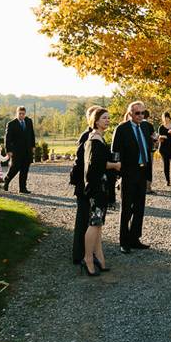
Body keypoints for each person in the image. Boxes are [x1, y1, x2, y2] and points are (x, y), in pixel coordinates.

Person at [81, 107, 121, 276]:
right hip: (97, 188)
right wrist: (114, 165)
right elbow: (94, 165)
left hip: (102, 188)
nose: (107, 120)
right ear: (96, 121)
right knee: (94, 223)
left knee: (98, 224)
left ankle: (99, 257)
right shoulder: (94, 140)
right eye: (104, 118)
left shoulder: (99, 138)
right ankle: (87, 259)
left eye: (108, 118)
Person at [111, 101, 152, 253]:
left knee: (140, 207)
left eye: (143, 113)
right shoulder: (121, 129)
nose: (141, 116)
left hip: (142, 172)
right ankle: (124, 241)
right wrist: (117, 175)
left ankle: (135, 238)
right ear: (130, 114)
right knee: (127, 208)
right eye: (137, 113)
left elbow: (148, 148)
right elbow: (115, 152)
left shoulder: (146, 127)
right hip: (128, 173)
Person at [71, 106, 99, 265]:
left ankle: (89, 252)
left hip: (90, 184)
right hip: (84, 185)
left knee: (90, 220)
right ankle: (79, 255)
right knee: (82, 220)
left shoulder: (95, 135)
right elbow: (80, 162)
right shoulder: (86, 136)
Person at [3, 106, 36, 193]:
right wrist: (8, 151)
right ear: (17, 113)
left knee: (25, 170)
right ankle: (6, 181)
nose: (21, 115)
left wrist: (33, 146)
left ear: (25, 114)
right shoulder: (11, 124)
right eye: (20, 114)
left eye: (23, 114)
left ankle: (22, 188)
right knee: (14, 168)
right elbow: (7, 139)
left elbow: (32, 134)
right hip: (16, 151)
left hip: (27, 151)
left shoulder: (29, 121)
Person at [140, 110, 157, 195]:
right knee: (148, 168)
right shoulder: (149, 125)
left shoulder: (137, 124)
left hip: (138, 150)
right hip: (148, 149)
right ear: (148, 116)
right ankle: (148, 187)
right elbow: (154, 137)